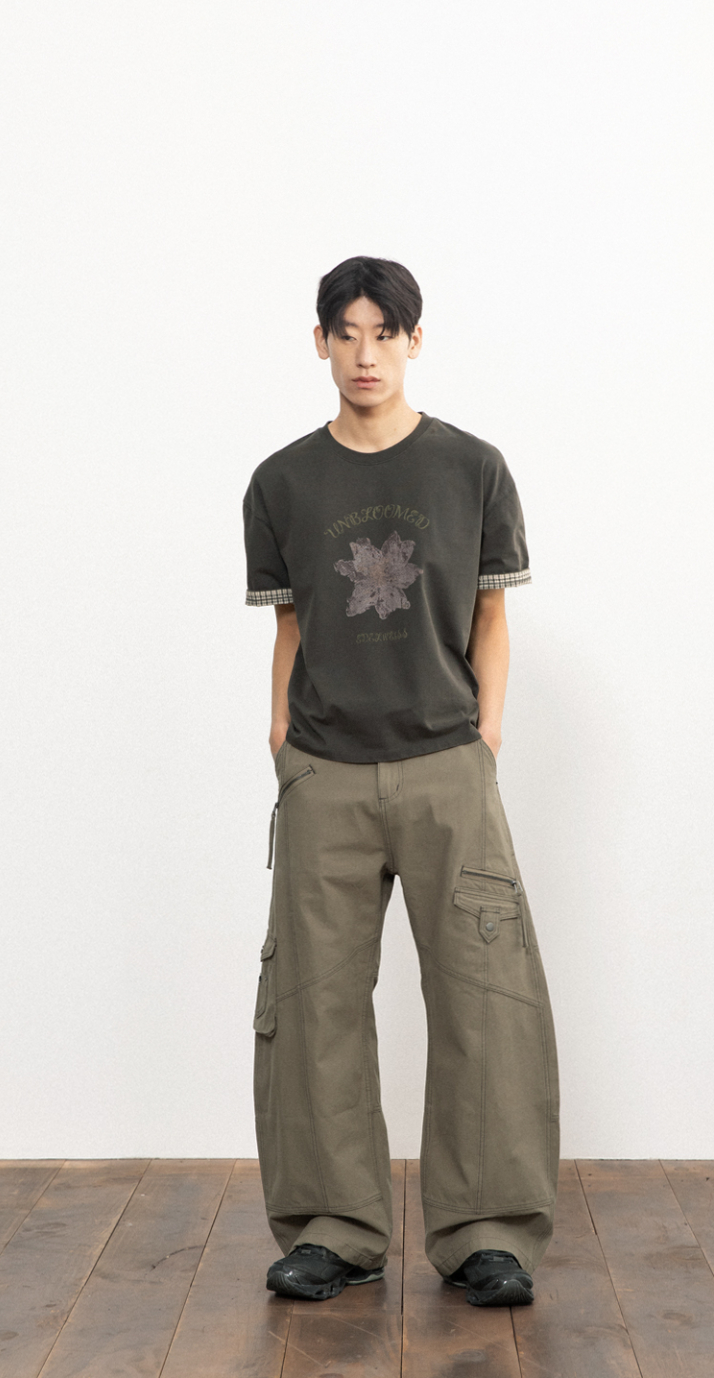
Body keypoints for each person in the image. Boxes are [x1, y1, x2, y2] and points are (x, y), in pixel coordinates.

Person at [242, 256, 559, 1307]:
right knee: (313, 1002)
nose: (365, 353)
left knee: (486, 998)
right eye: (347, 332)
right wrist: (283, 736)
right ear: (320, 343)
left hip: (445, 764)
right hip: (324, 769)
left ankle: (486, 1232)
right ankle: (333, 1228)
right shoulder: (282, 482)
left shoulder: (472, 468)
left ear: (415, 341)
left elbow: (491, 615)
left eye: (385, 332)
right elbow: (292, 622)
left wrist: (486, 734)